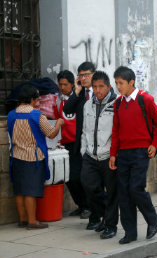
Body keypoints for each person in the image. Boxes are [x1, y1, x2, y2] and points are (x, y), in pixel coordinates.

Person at [109, 66, 157, 244]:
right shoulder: (117, 103)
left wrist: (154, 144)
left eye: (121, 83)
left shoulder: (145, 99)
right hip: (122, 153)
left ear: (131, 82)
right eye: (116, 83)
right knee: (124, 194)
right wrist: (113, 154)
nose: (118, 86)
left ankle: (152, 218)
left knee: (135, 188)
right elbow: (116, 130)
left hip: (141, 151)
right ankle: (130, 232)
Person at [7, 85, 64, 229]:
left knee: (19, 190)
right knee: (30, 191)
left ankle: (22, 219)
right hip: (33, 158)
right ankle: (32, 221)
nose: (39, 100)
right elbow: (51, 134)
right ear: (32, 99)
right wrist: (58, 123)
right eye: (37, 97)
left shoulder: (11, 114)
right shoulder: (37, 115)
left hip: (16, 156)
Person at [80, 71, 118, 239]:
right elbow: (84, 130)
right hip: (90, 155)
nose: (97, 90)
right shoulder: (88, 104)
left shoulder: (117, 103)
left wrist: (115, 154)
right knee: (89, 186)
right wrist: (84, 150)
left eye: (101, 86)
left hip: (109, 155)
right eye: (94, 87)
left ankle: (110, 225)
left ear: (108, 86)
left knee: (112, 192)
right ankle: (105, 215)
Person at [63, 62, 96, 219]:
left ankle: (93, 209)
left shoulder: (100, 92)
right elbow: (67, 110)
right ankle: (83, 205)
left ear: (93, 74)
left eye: (86, 75)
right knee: (73, 177)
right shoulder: (80, 94)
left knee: (91, 180)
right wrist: (76, 91)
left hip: (97, 143)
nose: (83, 78)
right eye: (81, 75)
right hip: (80, 143)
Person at [54, 70, 88, 217]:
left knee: (79, 177)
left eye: (65, 84)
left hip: (78, 143)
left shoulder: (80, 98)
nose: (62, 87)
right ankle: (81, 205)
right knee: (68, 178)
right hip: (65, 144)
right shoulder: (57, 101)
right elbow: (57, 122)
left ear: (72, 83)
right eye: (60, 84)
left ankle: (89, 206)